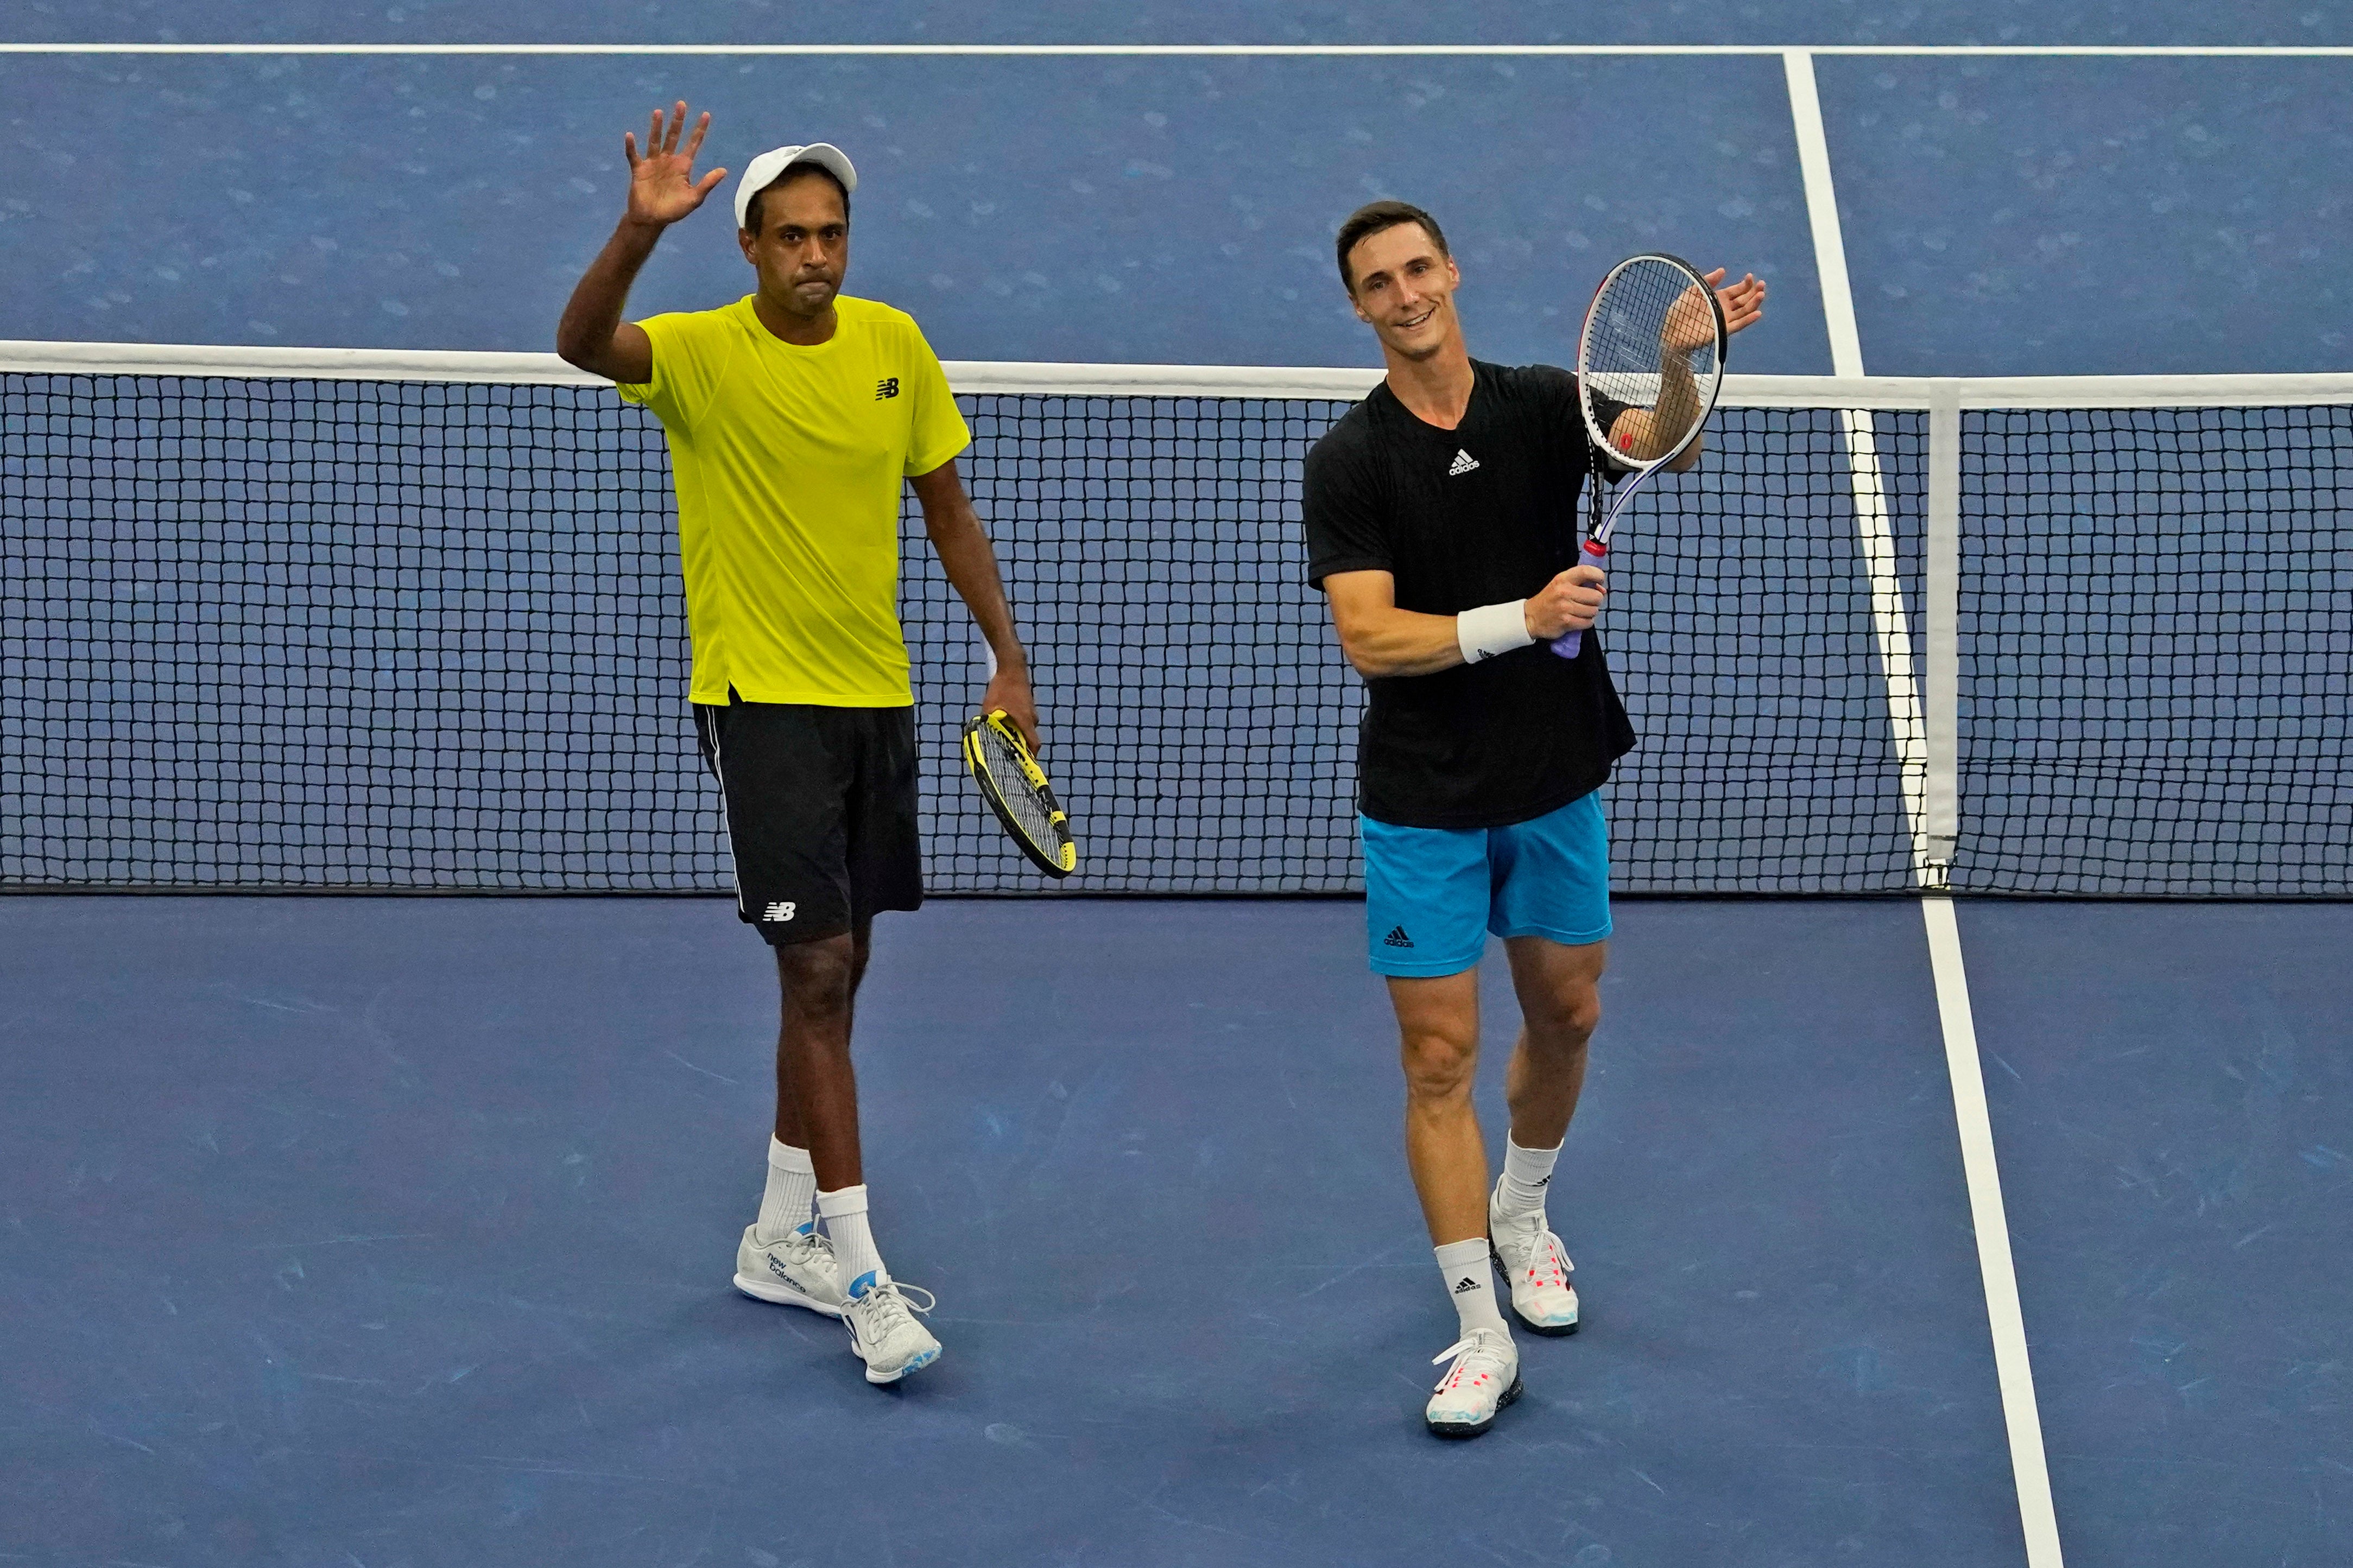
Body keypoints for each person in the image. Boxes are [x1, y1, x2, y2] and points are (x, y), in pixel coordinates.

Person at [555, 104, 1039, 1386]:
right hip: (759, 698)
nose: (816, 255)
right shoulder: (698, 354)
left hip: (874, 699)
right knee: (818, 973)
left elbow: (946, 507)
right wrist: (631, 231)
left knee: (838, 972)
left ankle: (780, 1233)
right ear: (749, 247)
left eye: (831, 234)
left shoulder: (896, 345)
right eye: (790, 238)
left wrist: (1006, 654)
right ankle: (860, 1270)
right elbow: (580, 343)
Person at [1301, 201, 1764, 1437]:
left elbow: (1662, 444)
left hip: (1553, 772)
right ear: (1358, 306)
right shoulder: (1350, 460)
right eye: (1377, 283)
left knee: (1567, 1011)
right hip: (1424, 801)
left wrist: (1676, 362)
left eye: (1417, 268)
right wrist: (1525, 614)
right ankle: (1477, 1326)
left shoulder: (1532, 402)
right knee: (1438, 1059)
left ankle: (1524, 1208)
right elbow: (1368, 638)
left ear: (1450, 271)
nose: (1404, 294)